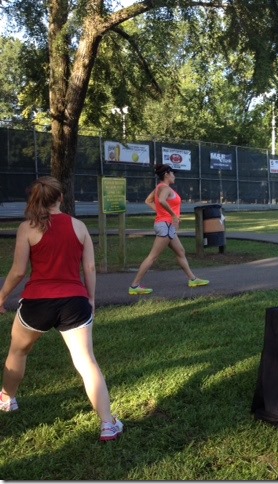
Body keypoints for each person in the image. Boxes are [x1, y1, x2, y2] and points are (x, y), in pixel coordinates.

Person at [0, 176, 123, 441]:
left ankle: (8, 399)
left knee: (18, 351)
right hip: (74, 304)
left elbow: (19, 271)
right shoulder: (79, 226)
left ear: (36, 199)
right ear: (61, 198)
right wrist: (90, 298)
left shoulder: (27, 228)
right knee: (86, 361)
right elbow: (89, 268)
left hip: (37, 304)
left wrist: (1, 296)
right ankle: (108, 424)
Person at [129, 164, 209, 295]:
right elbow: (161, 200)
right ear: (166, 174)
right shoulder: (165, 188)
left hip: (167, 225)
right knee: (153, 257)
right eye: (172, 173)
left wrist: (163, 213)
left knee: (181, 251)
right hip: (165, 226)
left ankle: (192, 279)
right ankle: (134, 286)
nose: (174, 176)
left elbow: (148, 201)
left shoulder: (159, 187)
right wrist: (172, 216)